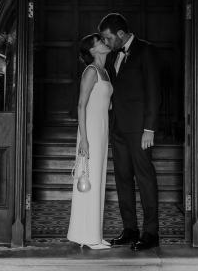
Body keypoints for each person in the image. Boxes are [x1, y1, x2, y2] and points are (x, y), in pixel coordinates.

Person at [98, 13, 161, 251]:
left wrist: (149, 128)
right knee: (123, 180)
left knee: (145, 180)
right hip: (118, 129)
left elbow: (154, 92)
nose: (106, 42)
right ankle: (130, 229)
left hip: (139, 130)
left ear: (121, 34)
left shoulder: (146, 51)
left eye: (108, 37)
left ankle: (151, 233)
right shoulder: (113, 54)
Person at [67, 33, 113, 249]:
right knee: (88, 180)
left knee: (98, 181)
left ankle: (94, 234)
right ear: (93, 50)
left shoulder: (104, 71)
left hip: (102, 130)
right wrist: (83, 140)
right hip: (90, 133)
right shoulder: (91, 71)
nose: (105, 43)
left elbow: (103, 102)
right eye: (100, 42)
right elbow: (80, 105)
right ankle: (87, 237)